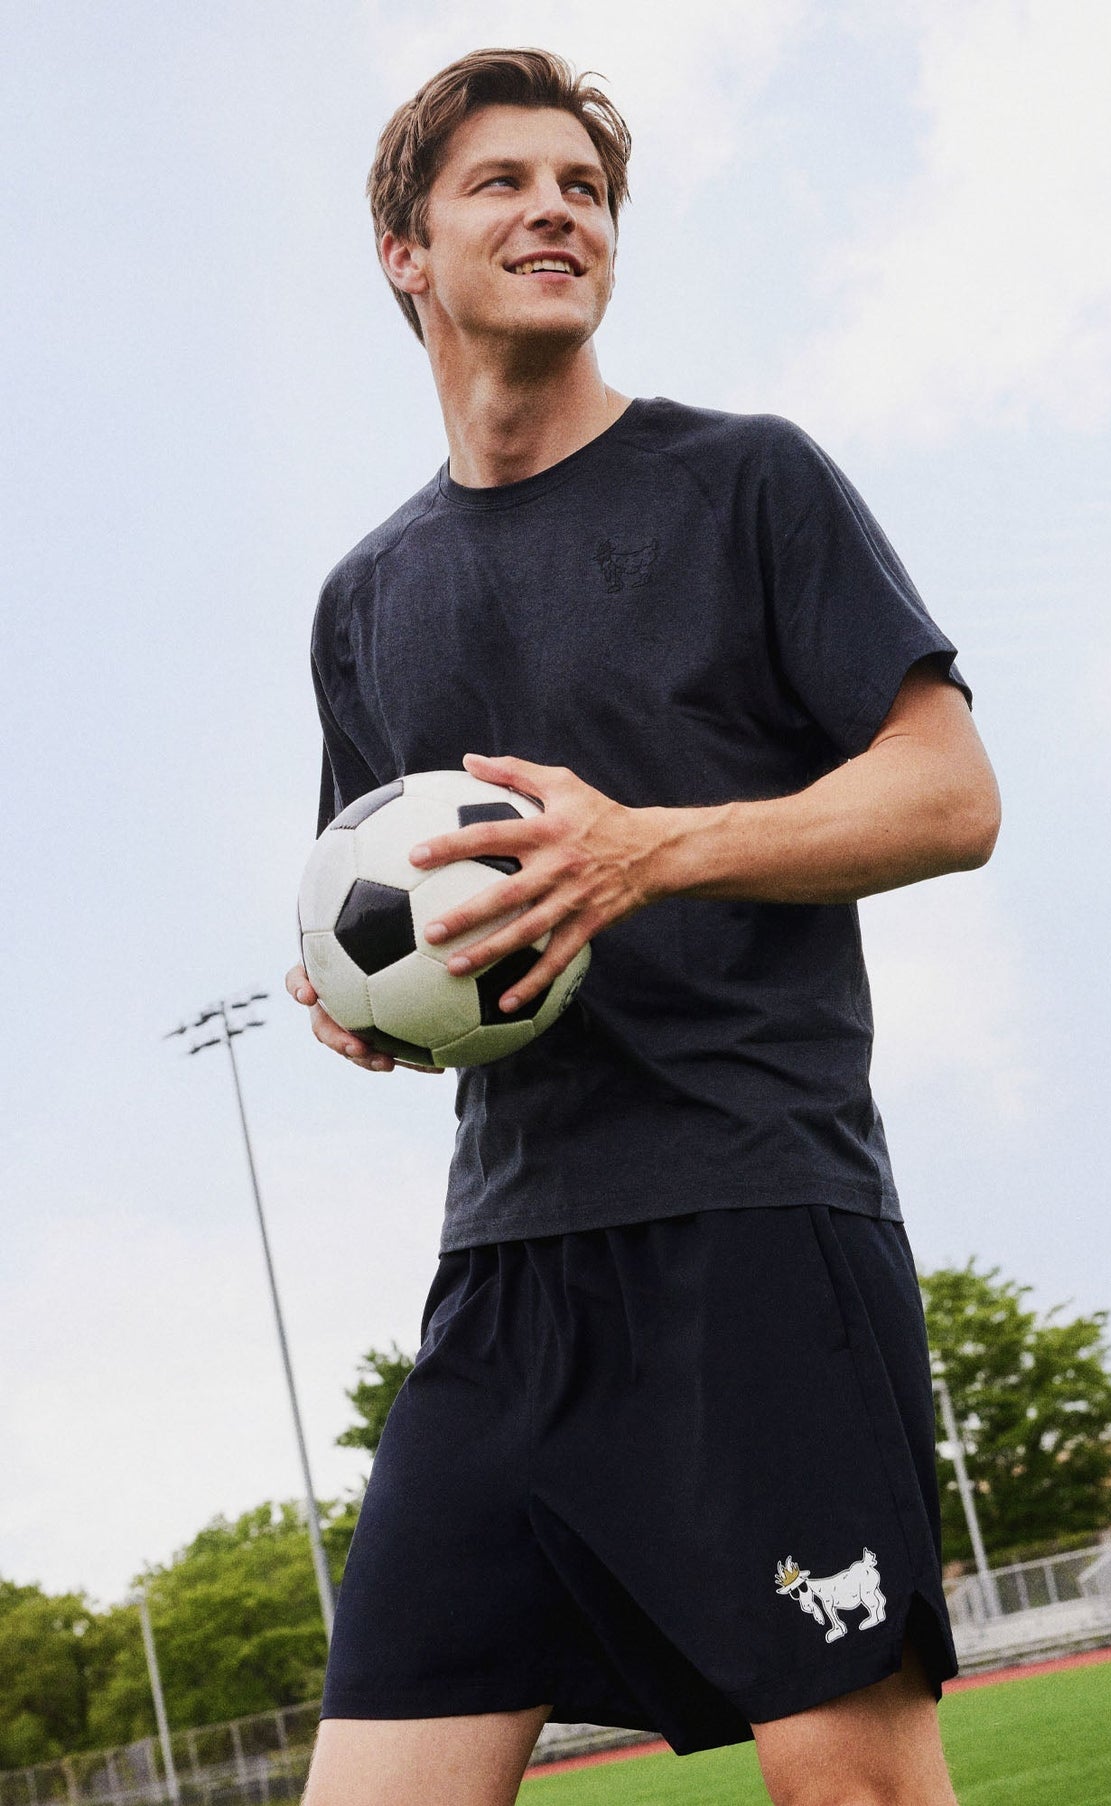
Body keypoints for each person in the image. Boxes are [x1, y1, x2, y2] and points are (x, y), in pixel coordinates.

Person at [286, 47, 1000, 1806]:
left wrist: (649, 853)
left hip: (753, 1222)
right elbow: (377, 904)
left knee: (852, 1789)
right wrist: (355, 1004)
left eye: (583, 189)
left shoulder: (749, 481)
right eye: (502, 185)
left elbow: (949, 793)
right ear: (404, 250)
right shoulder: (366, 596)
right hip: (503, 1274)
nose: (555, 210)